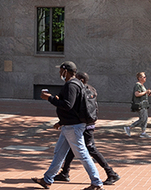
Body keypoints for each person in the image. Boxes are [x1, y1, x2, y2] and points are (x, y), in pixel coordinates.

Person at [33, 60, 102, 189]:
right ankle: (47, 179)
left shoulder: (71, 85)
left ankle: (97, 183)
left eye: (61, 71)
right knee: (59, 152)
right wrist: (61, 122)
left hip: (73, 126)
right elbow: (73, 105)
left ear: (66, 71)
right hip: (69, 125)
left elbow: (68, 105)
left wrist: (49, 98)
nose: (60, 73)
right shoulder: (76, 84)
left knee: (82, 154)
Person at [53, 71, 119, 185]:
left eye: (76, 78)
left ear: (81, 80)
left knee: (90, 148)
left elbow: (74, 109)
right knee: (73, 147)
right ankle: (64, 172)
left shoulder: (81, 90)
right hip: (87, 123)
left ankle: (111, 172)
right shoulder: (91, 89)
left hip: (84, 125)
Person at [124, 71, 151, 137]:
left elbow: (143, 94)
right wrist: (145, 92)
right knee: (142, 119)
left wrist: (148, 93)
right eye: (144, 77)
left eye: (145, 77)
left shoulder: (142, 85)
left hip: (144, 104)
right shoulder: (138, 85)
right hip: (140, 104)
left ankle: (143, 132)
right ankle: (129, 128)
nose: (145, 78)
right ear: (139, 78)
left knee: (145, 118)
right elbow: (137, 94)